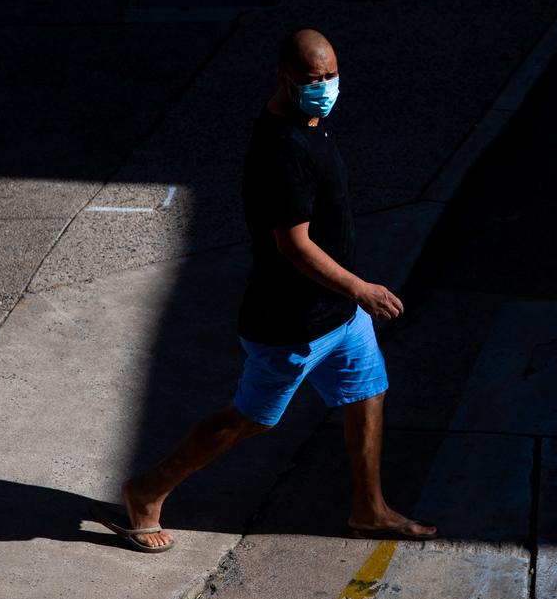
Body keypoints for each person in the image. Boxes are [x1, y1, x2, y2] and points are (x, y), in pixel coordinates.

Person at [99, 28, 438, 553]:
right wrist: (362, 288)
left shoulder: (311, 122)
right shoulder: (282, 149)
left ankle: (369, 510)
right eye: (312, 79)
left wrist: (350, 299)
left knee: (368, 395)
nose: (324, 87)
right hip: (290, 324)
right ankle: (146, 490)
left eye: (330, 76)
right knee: (248, 421)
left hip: (340, 315)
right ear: (285, 79)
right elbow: (293, 245)